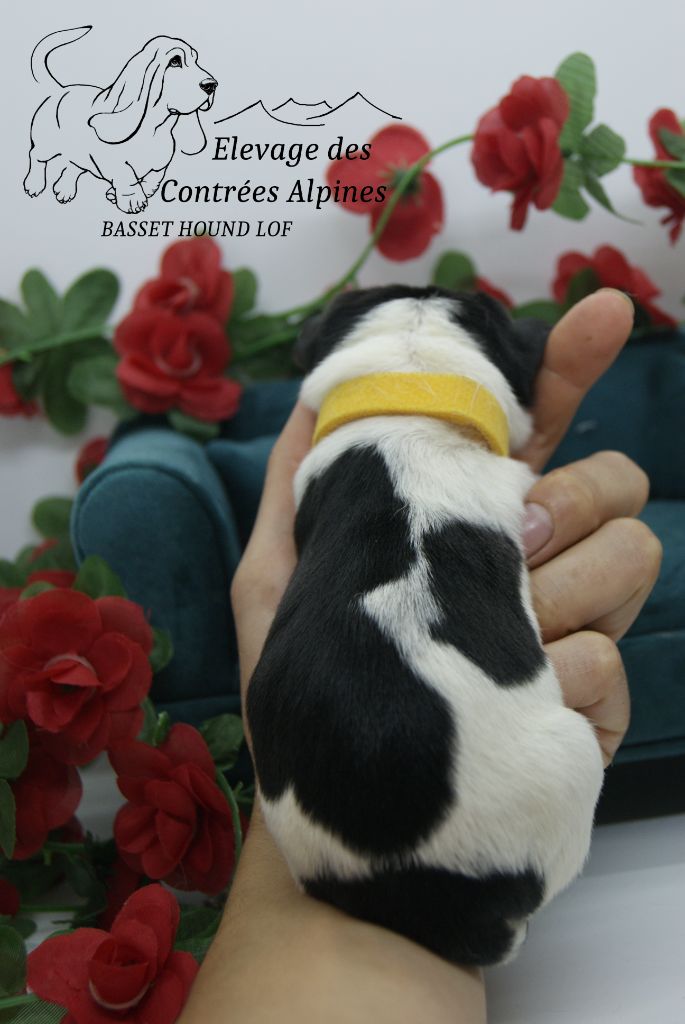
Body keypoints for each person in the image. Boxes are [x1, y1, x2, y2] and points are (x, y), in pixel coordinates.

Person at [179, 288, 662, 1024]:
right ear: (505, 363)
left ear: (330, 359)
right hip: (497, 864)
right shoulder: (507, 483)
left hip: (307, 837)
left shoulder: (317, 478)